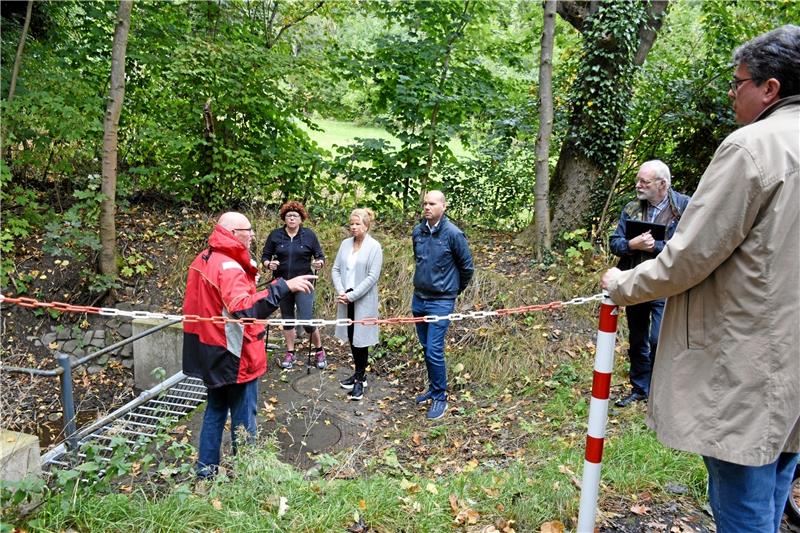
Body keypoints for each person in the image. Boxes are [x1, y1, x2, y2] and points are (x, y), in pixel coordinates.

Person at [601, 25, 799, 533]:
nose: (732, 94)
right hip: (792, 359)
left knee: (745, 500)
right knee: (777, 476)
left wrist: (620, 284)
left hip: (749, 359)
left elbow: (689, 256)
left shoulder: (754, 148)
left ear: (770, 88)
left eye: (739, 83)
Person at [183, 212, 316, 478]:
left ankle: (205, 473)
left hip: (210, 351)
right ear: (233, 233)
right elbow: (245, 310)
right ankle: (247, 476)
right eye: (249, 230)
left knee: (215, 411)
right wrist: (284, 287)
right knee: (244, 420)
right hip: (235, 355)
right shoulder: (228, 266)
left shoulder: (203, 258)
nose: (253, 234)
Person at [609, 160, 690, 407]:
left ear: (662, 184)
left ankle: (660, 390)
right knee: (637, 338)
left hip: (666, 283)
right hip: (636, 281)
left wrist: (655, 246)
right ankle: (640, 389)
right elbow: (615, 243)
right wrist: (632, 245)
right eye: (638, 180)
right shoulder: (632, 208)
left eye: (644, 181)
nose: (638, 185)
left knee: (659, 339)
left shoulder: (686, 207)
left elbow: (691, 248)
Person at [411, 190, 474, 420]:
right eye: (425, 203)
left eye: (432, 203)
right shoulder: (418, 231)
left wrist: (452, 292)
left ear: (443, 206)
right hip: (419, 298)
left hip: (441, 301)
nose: (427, 207)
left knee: (435, 350)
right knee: (427, 348)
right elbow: (418, 260)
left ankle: (440, 398)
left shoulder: (453, 234)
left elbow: (467, 268)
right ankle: (434, 387)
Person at [261, 201, 327, 370]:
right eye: (289, 216)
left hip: (304, 282)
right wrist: (269, 264)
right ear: (284, 218)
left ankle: (319, 350)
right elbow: (265, 256)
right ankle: (290, 352)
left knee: (306, 320)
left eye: (295, 216)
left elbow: (320, 256)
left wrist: (318, 263)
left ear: (301, 219)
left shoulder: (309, 236)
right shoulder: (275, 235)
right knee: (287, 319)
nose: (292, 218)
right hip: (282, 283)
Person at [331, 208, 383, 401]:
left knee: (361, 339)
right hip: (345, 297)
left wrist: (353, 295)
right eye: (351, 224)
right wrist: (341, 291)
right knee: (352, 337)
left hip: (362, 300)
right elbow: (336, 269)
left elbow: (372, 277)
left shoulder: (374, 247)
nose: (353, 227)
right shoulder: (345, 244)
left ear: (366, 225)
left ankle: (360, 379)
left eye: (357, 224)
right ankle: (358, 372)